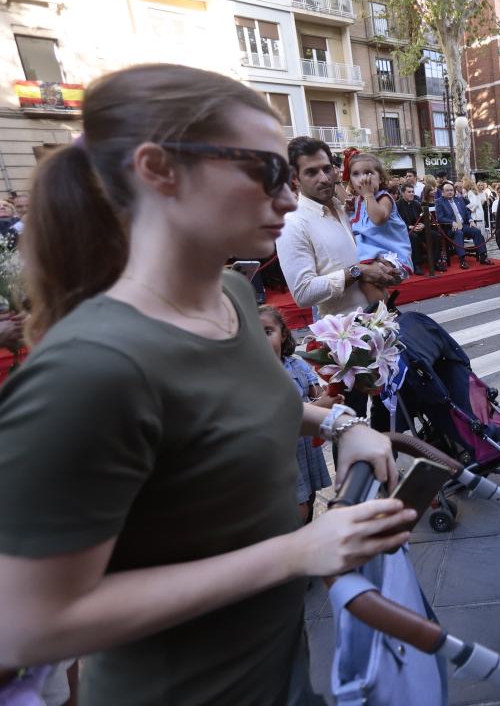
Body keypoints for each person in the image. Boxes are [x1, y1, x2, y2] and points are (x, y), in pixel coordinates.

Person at [0, 63, 413, 704]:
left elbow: (232, 402)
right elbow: (29, 624)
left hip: (281, 672)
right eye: (265, 171)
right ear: (159, 169)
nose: (286, 198)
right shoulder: (89, 368)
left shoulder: (231, 296)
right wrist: (295, 552)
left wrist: (339, 424)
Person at [277, 136, 403, 318]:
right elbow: (303, 293)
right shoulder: (292, 223)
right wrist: (357, 272)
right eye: (311, 172)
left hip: (385, 321)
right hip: (347, 337)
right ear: (295, 178)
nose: (324, 178)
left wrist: (386, 269)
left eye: (327, 169)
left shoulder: (349, 209)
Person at [259, 305, 339, 524]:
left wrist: (334, 389)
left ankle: (307, 533)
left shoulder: (296, 364)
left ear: (283, 334)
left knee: (310, 496)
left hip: (305, 445)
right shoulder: (253, 373)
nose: (261, 339)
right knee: (297, 506)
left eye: (268, 332)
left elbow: (317, 392)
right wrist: (321, 405)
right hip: (283, 451)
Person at [348, 152, 413, 273]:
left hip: (387, 251)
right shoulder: (359, 200)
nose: (362, 179)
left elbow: (378, 219)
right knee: (365, 282)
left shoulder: (383, 197)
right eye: (356, 174)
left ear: (381, 178)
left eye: (368, 173)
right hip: (369, 251)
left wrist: (368, 194)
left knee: (373, 280)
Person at [435, 181, 490, 269]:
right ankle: (462, 259)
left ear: (454, 191)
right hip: (450, 227)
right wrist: (451, 222)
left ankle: (483, 256)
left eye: (451, 190)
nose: (450, 192)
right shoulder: (439, 202)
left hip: (463, 225)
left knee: (476, 231)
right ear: (443, 192)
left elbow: (466, 212)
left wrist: (471, 220)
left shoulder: (459, 200)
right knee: (458, 233)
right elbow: (440, 218)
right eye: (447, 190)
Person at [396, 181, 438, 275]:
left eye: (412, 191)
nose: (412, 194)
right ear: (403, 193)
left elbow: (423, 218)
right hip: (406, 232)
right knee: (413, 237)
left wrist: (423, 225)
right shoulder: (397, 205)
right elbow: (396, 223)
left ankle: (435, 261)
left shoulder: (416, 204)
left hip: (420, 229)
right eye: (409, 192)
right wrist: (410, 227)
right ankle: (417, 264)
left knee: (434, 235)